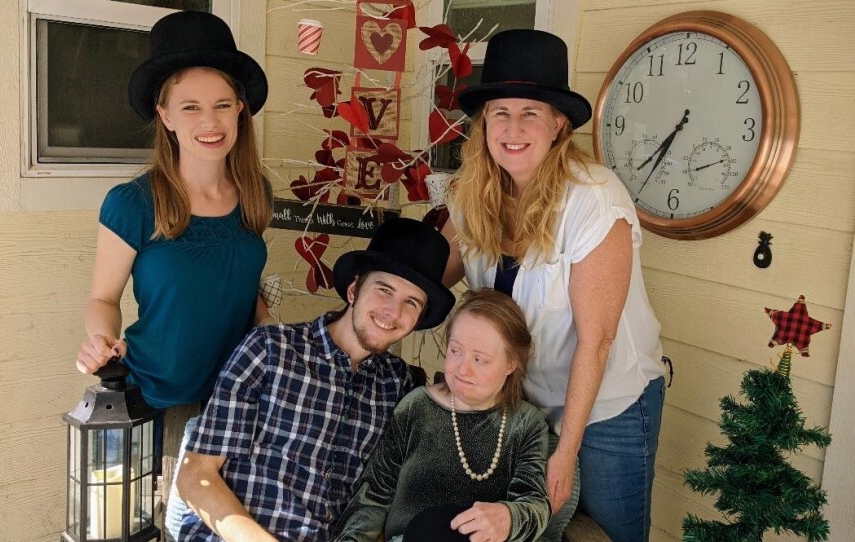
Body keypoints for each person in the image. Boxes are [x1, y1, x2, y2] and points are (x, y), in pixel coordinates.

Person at [441, 29, 667, 542]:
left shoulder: (594, 199)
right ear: (483, 123)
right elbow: (431, 280)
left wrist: (565, 449)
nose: (513, 128)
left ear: (558, 122)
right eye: (500, 112)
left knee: (607, 533)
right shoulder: (472, 194)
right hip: (522, 401)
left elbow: (598, 340)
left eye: (531, 113)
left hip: (609, 407)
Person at [73, 9, 272, 532]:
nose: (210, 122)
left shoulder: (255, 195)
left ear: (240, 110)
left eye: (222, 105)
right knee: (160, 525)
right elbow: (103, 298)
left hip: (235, 401)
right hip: (159, 400)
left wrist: (270, 331)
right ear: (165, 115)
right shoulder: (133, 203)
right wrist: (101, 340)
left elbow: (242, 290)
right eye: (191, 107)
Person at [173, 217, 456, 542]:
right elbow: (195, 476)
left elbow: (387, 498)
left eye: (411, 302)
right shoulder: (271, 349)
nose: (393, 311)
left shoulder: (398, 385)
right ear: (354, 289)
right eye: (384, 290)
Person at [333, 288, 551, 542]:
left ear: (511, 364)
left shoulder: (526, 424)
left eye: (479, 360)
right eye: (455, 351)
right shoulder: (416, 408)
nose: (462, 369)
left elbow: (535, 502)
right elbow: (372, 496)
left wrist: (509, 517)